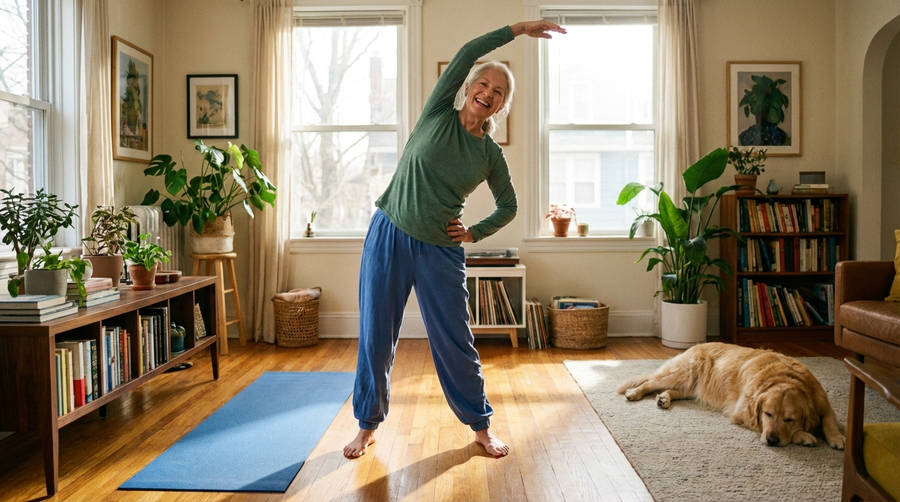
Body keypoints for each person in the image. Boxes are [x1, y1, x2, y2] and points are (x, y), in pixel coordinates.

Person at [344, 20, 566, 460]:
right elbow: (468, 49)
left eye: (499, 91)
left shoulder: (489, 154)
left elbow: (509, 206)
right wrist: (518, 29)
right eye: (483, 83)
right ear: (468, 87)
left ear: (502, 105)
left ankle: (481, 425)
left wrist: (473, 232)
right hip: (389, 233)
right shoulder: (436, 114)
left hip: (440, 251)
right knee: (375, 334)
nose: (488, 91)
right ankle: (367, 424)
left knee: (455, 339)